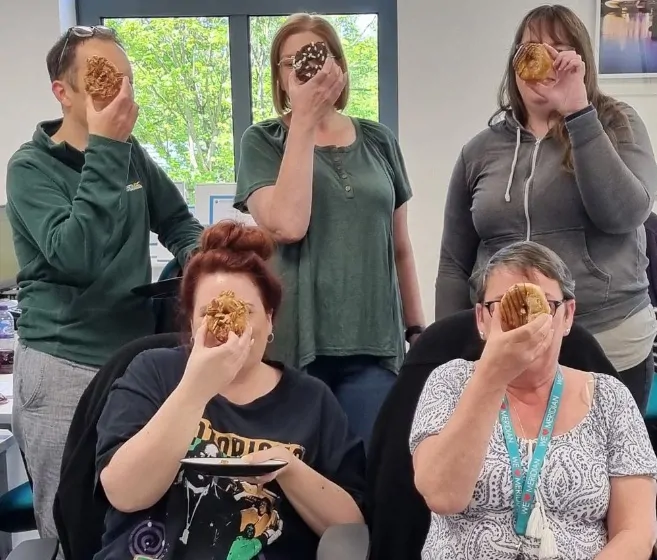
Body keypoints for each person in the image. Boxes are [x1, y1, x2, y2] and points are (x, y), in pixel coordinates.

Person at [6, 26, 203, 545]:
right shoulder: (30, 169)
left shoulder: (132, 155)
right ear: (63, 91)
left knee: (138, 515)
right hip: (62, 367)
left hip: (132, 361)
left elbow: (179, 223)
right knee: (71, 522)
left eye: (126, 80)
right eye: (101, 79)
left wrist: (205, 264)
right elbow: (77, 254)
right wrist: (107, 149)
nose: (120, 91)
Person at [94, 221, 365, 560]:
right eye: (210, 313)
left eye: (245, 312)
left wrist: (290, 469)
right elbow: (125, 493)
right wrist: (197, 387)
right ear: (191, 322)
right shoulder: (153, 372)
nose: (227, 326)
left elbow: (350, 528)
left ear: (270, 322)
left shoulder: (311, 400)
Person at [434, 4, 657, 413]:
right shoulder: (480, 151)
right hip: (506, 346)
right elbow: (453, 262)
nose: (543, 60)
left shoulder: (616, 124)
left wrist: (579, 113)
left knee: (607, 471)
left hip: (608, 339)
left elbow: (625, 214)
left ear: (580, 62)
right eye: (530, 48)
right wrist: (452, 349)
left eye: (559, 49)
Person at [234, 13, 424, 447]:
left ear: (338, 67)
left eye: (317, 57)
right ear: (280, 77)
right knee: (294, 482)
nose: (306, 69)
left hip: (375, 345)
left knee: (368, 482)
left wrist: (416, 331)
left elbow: (400, 248)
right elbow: (287, 224)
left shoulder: (379, 141)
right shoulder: (261, 141)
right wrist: (302, 120)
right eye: (292, 62)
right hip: (295, 347)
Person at [413, 241, 657, 559]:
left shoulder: (610, 399)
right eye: (505, 306)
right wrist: (491, 377)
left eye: (544, 306)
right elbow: (442, 495)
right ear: (481, 320)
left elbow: (635, 531)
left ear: (567, 316)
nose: (526, 323)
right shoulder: (449, 382)